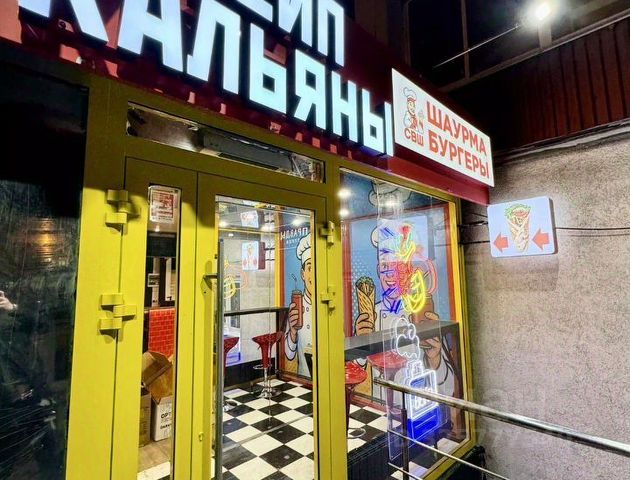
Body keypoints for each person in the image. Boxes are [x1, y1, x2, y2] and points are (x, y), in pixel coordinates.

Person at [284, 234, 313, 378]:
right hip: (304, 379)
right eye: (310, 268)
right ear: (303, 274)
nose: (314, 275)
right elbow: (289, 354)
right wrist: (293, 332)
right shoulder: (296, 307)